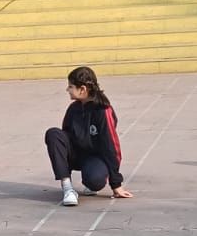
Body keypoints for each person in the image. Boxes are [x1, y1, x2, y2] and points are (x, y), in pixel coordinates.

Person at [45, 65, 132, 206]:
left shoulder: (103, 110)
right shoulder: (73, 109)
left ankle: (91, 181)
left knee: (95, 180)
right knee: (54, 134)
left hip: (94, 157)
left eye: (70, 86)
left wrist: (116, 184)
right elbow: (64, 139)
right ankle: (68, 188)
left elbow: (111, 146)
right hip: (76, 154)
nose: (67, 90)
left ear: (83, 89)